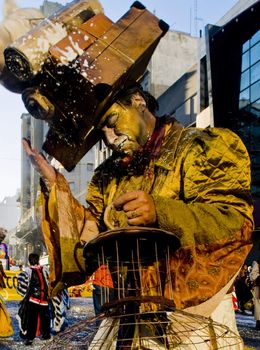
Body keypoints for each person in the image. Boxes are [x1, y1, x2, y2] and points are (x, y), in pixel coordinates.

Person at [23, 84, 254, 347]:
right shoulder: (108, 178)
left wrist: (161, 211)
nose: (110, 138)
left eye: (112, 121)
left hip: (195, 318)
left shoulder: (200, 148)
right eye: (102, 131)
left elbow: (232, 221)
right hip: (128, 318)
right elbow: (90, 241)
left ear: (137, 101)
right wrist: (54, 183)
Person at [16, 253, 51, 346]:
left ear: (29, 261)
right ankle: (46, 334)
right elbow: (49, 282)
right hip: (43, 298)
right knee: (45, 317)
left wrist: (24, 296)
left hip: (33, 299)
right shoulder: (45, 270)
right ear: (38, 260)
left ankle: (30, 338)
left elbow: (21, 287)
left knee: (32, 319)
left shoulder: (26, 271)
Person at [249, 259, 260, 330]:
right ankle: (259, 323)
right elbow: (253, 275)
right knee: (259, 306)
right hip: (259, 286)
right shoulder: (257, 262)